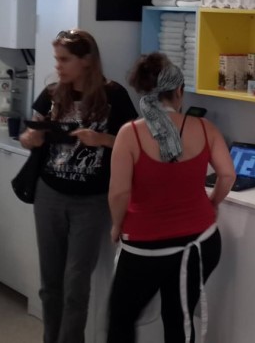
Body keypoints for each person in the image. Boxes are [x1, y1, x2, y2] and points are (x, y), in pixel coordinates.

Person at [19, 29, 138, 343]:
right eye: (56, 59)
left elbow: (134, 143)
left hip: (92, 200)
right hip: (49, 194)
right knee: (50, 284)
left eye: (64, 59)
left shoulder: (114, 95)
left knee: (76, 283)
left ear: (86, 60)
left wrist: (101, 139)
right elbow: (28, 136)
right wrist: (31, 139)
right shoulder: (51, 94)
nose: (57, 66)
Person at [107, 53, 235, 343]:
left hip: (144, 246)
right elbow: (227, 175)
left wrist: (117, 225)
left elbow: (119, 193)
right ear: (179, 90)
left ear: (143, 91)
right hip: (199, 242)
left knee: (122, 319)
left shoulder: (130, 134)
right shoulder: (205, 128)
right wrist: (212, 204)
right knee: (179, 318)